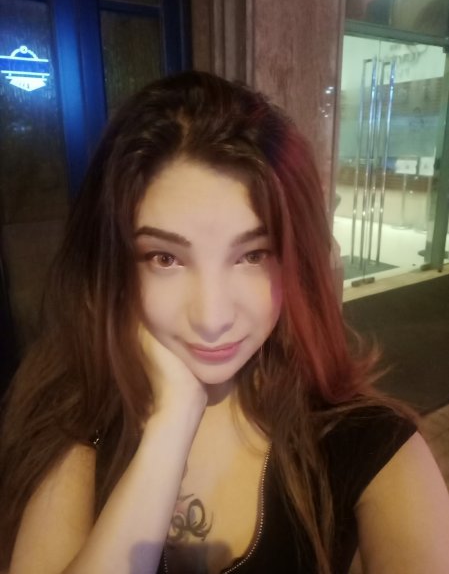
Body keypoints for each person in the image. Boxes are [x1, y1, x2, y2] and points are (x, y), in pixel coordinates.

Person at [0, 71, 448, 574]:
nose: (212, 320)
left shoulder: (368, 443)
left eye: (253, 255)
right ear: (113, 267)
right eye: (164, 258)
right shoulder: (75, 415)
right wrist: (172, 422)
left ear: (296, 260)